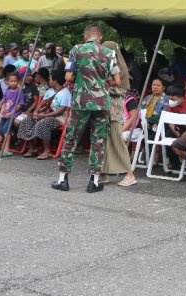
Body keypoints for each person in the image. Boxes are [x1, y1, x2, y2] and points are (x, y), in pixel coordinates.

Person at [52, 25, 119, 193]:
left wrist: (78, 82)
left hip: (81, 101)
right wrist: (103, 85)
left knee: (71, 138)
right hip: (102, 102)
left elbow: (68, 76)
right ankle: (94, 182)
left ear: (85, 36)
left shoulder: (76, 50)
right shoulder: (109, 53)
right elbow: (117, 80)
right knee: (98, 140)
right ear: (100, 37)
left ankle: (63, 179)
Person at [101, 41, 137, 187]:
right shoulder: (109, 66)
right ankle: (104, 172)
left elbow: (120, 91)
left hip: (115, 113)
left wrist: (104, 87)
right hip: (105, 111)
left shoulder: (120, 69)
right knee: (104, 142)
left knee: (117, 142)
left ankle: (130, 174)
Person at [0, 72, 25, 156]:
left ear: (18, 82)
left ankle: (6, 149)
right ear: (8, 82)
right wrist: (2, 111)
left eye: (15, 81)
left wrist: (11, 113)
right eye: (11, 81)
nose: (13, 83)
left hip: (13, 114)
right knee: (0, 130)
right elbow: (4, 102)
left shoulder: (19, 92)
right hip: (5, 114)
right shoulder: (7, 91)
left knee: (6, 129)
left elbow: (20, 105)